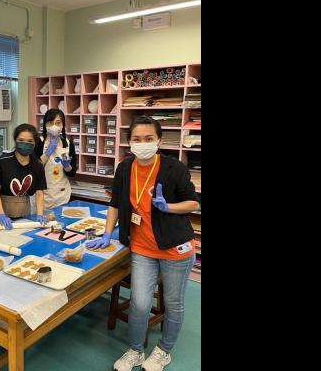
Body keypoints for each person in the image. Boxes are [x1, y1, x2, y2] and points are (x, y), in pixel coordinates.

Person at [86, 115, 200, 371]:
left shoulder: (174, 168)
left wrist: (168, 207)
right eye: (137, 139)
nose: (143, 143)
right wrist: (107, 233)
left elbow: (193, 203)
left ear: (159, 140)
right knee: (139, 303)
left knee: (173, 303)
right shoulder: (125, 168)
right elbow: (115, 203)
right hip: (142, 248)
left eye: (149, 138)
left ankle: (164, 351)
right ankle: (135, 351)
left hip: (175, 249)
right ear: (129, 142)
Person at [0, 123, 48, 228]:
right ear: (15, 140)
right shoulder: (3, 161)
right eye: (21, 140)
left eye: (30, 141)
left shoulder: (38, 165)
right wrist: (1, 215)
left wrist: (40, 214)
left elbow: (39, 192)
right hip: (1, 213)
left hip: (24, 214)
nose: (25, 144)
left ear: (35, 143)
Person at [34, 108, 77, 209]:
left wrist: (67, 166)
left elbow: (72, 173)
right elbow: (34, 169)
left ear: (63, 125)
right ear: (45, 125)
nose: (54, 126)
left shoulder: (68, 144)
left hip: (63, 195)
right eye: (50, 123)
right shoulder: (39, 142)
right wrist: (48, 151)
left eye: (58, 123)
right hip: (43, 195)